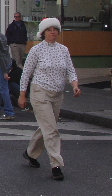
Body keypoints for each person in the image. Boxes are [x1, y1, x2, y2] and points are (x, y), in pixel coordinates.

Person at [19, 17, 80, 181]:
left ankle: (30, 153)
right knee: (51, 129)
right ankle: (56, 165)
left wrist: (75, 85)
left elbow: (70, 70)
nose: (53, 32)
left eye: (55, 29)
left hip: (57, 94)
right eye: (49, 29)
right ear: (43, 33)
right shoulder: (36, 50)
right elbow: (26, 73)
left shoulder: (63, 50)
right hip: (40, 92)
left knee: (47, 127)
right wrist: (22, 94)